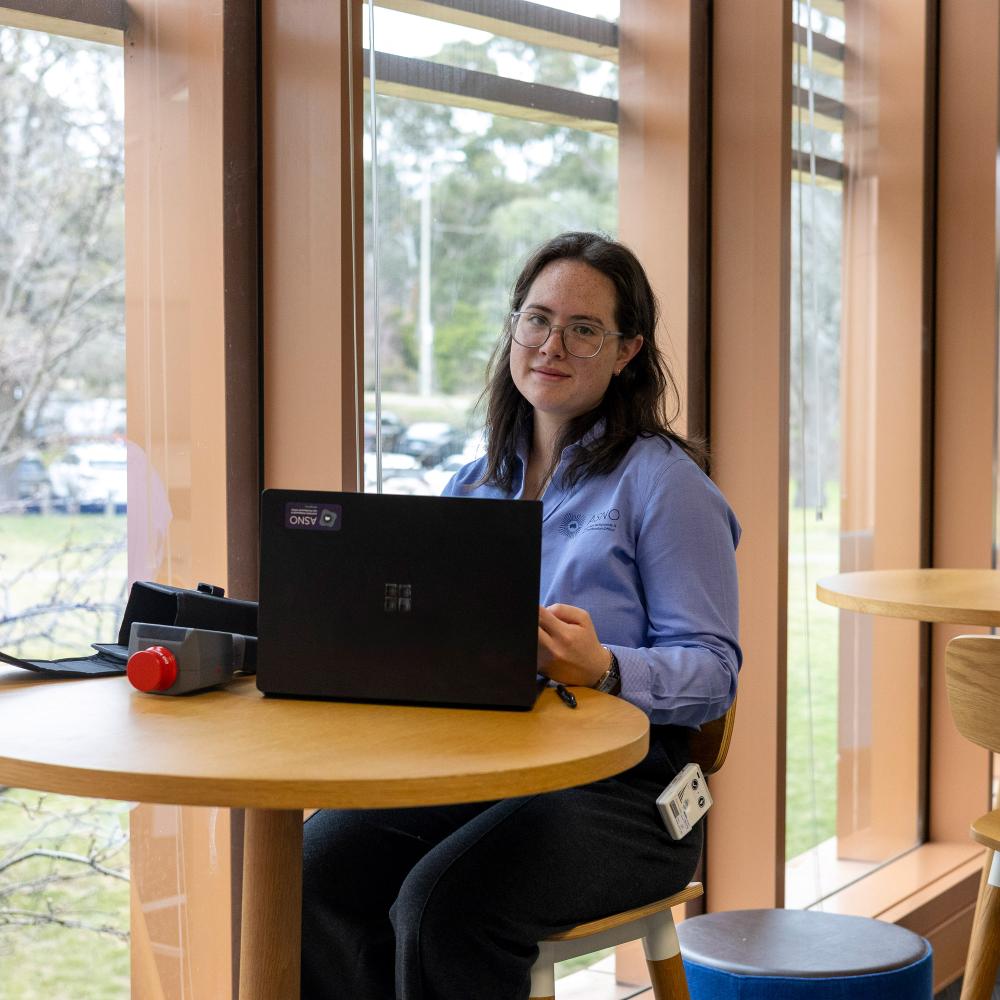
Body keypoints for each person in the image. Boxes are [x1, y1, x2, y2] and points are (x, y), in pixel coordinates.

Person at [301, 231, 741, 1000]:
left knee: (442, 906)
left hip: (628, 793)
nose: (552, 344)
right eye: (536, 320)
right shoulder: (472, 485)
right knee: (318, 865)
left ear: (627, 350)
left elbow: (714, 672)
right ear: (514, 329)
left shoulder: (665, 486)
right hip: (480, 769)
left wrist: (604, 667)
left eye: (584, 329)